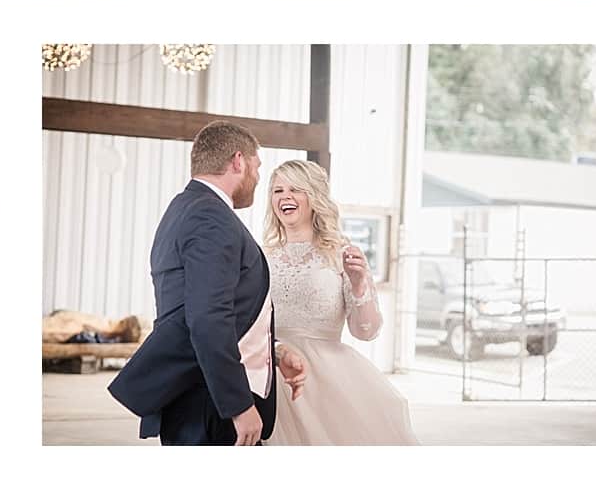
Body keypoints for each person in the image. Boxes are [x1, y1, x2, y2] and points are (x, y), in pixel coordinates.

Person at [108, 122, 310, 444]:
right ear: (239, 161)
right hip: (209, 401)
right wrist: (239, 405)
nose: (257, 178)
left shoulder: (185, 208)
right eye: (257, 167)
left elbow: (229, 310)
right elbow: (207, 318)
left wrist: (272, 352)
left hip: (197, 392)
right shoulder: (211, 219)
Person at [261, 160, 418, 445]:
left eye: (295, 189)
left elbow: (365, 331)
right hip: (272, 374)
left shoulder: (341, 254)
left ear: (314, 196)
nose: (285, 196)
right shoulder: (261, 256)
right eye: (277, 190)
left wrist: (359, 283)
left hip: (329, 379)